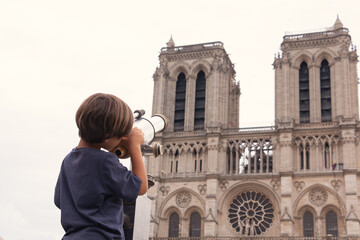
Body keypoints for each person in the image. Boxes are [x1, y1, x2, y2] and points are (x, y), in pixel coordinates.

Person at [54, 93, 148, 240]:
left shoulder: (68, 160)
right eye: (120, 136)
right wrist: (135, 146)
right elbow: (141, 187)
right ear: (107, 136)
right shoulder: (106, 162)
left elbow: (59, 201)